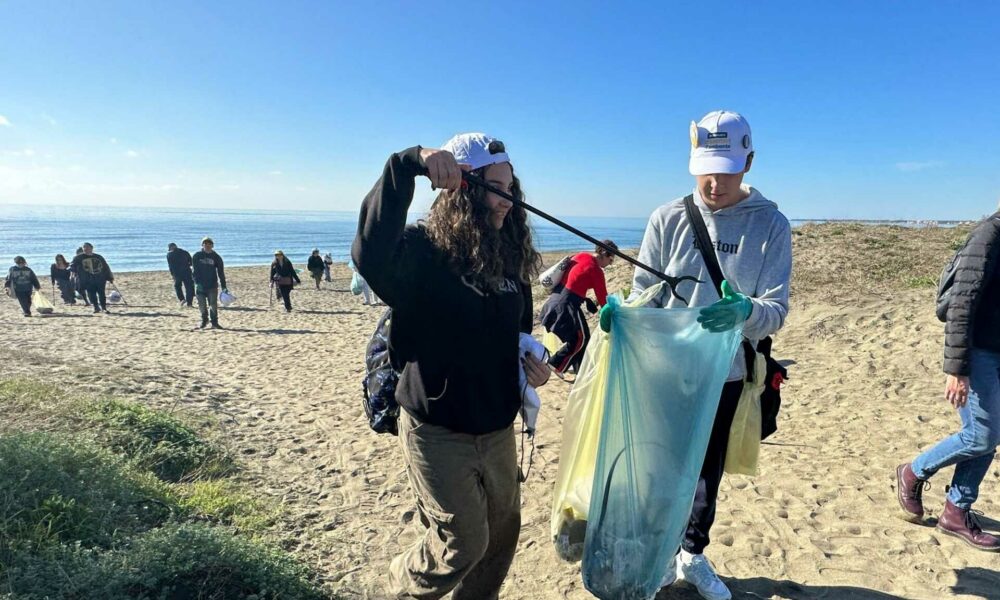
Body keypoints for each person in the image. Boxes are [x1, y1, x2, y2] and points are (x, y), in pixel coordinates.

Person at [352, 133, 550, 600]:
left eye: (511, 189)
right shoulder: (421, 250)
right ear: (464, 188)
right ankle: (399, 587)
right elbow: (369, 254)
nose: (508, 202)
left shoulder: (507, 253)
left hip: (497, 425)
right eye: (497, 189)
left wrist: (529, 365)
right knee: (464, 542)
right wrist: (408, 164)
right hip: (437, 428)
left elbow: (518, 330)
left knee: (502, 536)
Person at [631, 111, 791, 600]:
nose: (714, 182)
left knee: (706, 470)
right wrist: (624, 314)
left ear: (749, 162)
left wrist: (744, 311)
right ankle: (660, 555)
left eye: (726, 168)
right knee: (661, 466)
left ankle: (693, 555)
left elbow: (776, 309)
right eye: (705, 167)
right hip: (667, 369)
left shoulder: (771, 224)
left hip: (727, 371)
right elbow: (646, 291)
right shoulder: (667, 217)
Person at [896, 207, 1000, 551]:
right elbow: (961, 303)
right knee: (981, 436)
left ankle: (957, 510)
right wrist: (957, 369)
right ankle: (914, 471)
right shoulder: (989, 234)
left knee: (988, 434)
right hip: (978, 352)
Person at [539, 240, 616, 375]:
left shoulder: (581, 255)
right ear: (603, 253)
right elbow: (604, 300)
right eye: (610, 260)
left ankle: (579, 370)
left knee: (582, 337)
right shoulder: (596, 270)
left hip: (556, 299)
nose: (610, 264)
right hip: (566, 305)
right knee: (580, 339)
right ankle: (554, 364)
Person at [192, 237, 228, 329]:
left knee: (213, 304)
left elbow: (221, 272)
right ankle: (204, 320)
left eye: (209, 244)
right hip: (200, 285)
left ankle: (214, 322)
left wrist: (224, 286)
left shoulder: (216, 257)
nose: (207, 245)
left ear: (212, 245)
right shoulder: (197, 256)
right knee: (202, 305)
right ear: (202, 245)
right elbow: (194, 271)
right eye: (205, 244)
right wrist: (197, 283)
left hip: (212, 285)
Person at [70, 243, 114, 314]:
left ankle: (104, 308)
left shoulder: (98, 257)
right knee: (91, 294)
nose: (86, 249)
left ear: (91, 248)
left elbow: (105, 267)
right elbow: (72, 266)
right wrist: (74, 272)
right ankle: (96, 307)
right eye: (84, 248)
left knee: (101, 293)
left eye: (87, 247)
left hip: (100, 278)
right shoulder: (78, 258)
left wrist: (110, 277)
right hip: (87, 279)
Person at [167, 242, 194, 307]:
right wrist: (187, 265)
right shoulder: (184, 252)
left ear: (171, 248)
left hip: (177, 274)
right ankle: (189, 303)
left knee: (177, 286)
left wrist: (172, 275)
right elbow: (191, 262)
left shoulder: (169, 255)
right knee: (189, 287)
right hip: (187, 272)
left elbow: (170, 266)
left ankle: (182, 299)